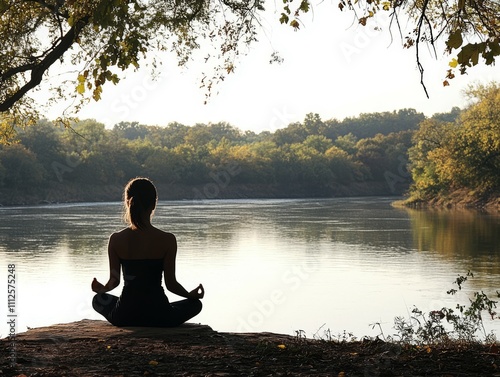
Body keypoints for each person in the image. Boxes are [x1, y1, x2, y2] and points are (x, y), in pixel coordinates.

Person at [91, 177, 204, 327]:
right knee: (195, 304)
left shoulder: (116, 239)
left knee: (98, 300)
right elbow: (171, 284)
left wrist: (102, 289)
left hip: (125, 315)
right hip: (160, 315)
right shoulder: (168, 239)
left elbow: (114, 281)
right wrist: (190, 295)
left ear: (127, 203)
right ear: (153, 205)